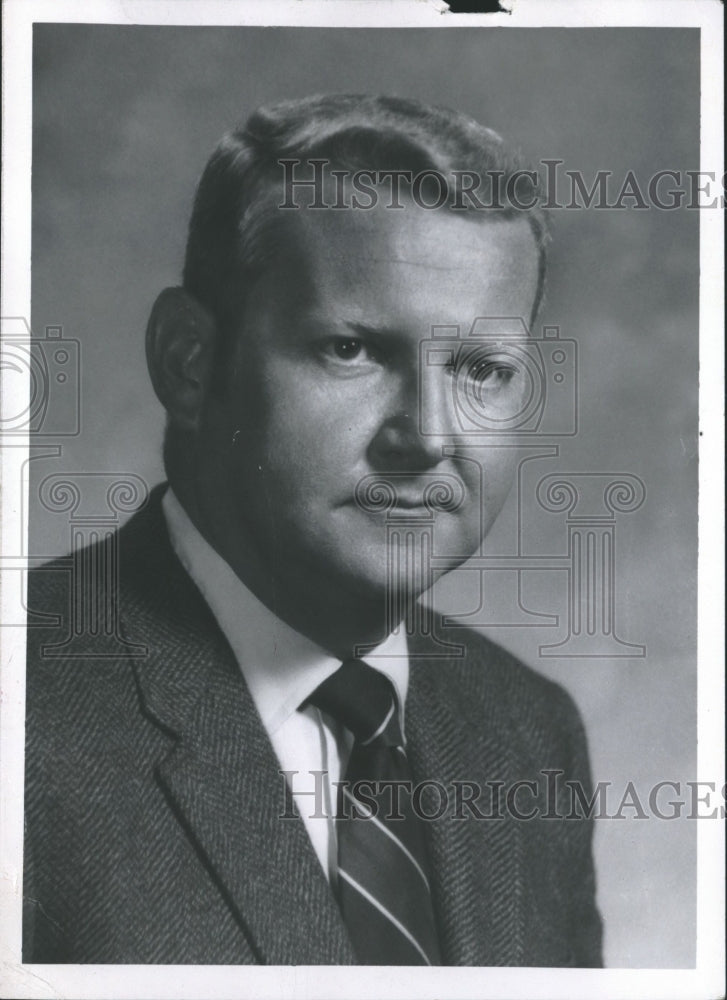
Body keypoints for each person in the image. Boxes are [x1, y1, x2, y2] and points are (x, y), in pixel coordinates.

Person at [23, 94, 602, 966]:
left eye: (482, 368)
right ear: (188, 362)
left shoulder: (527, 734)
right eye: (351, 350)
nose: (430, 437)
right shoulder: (23, 706)